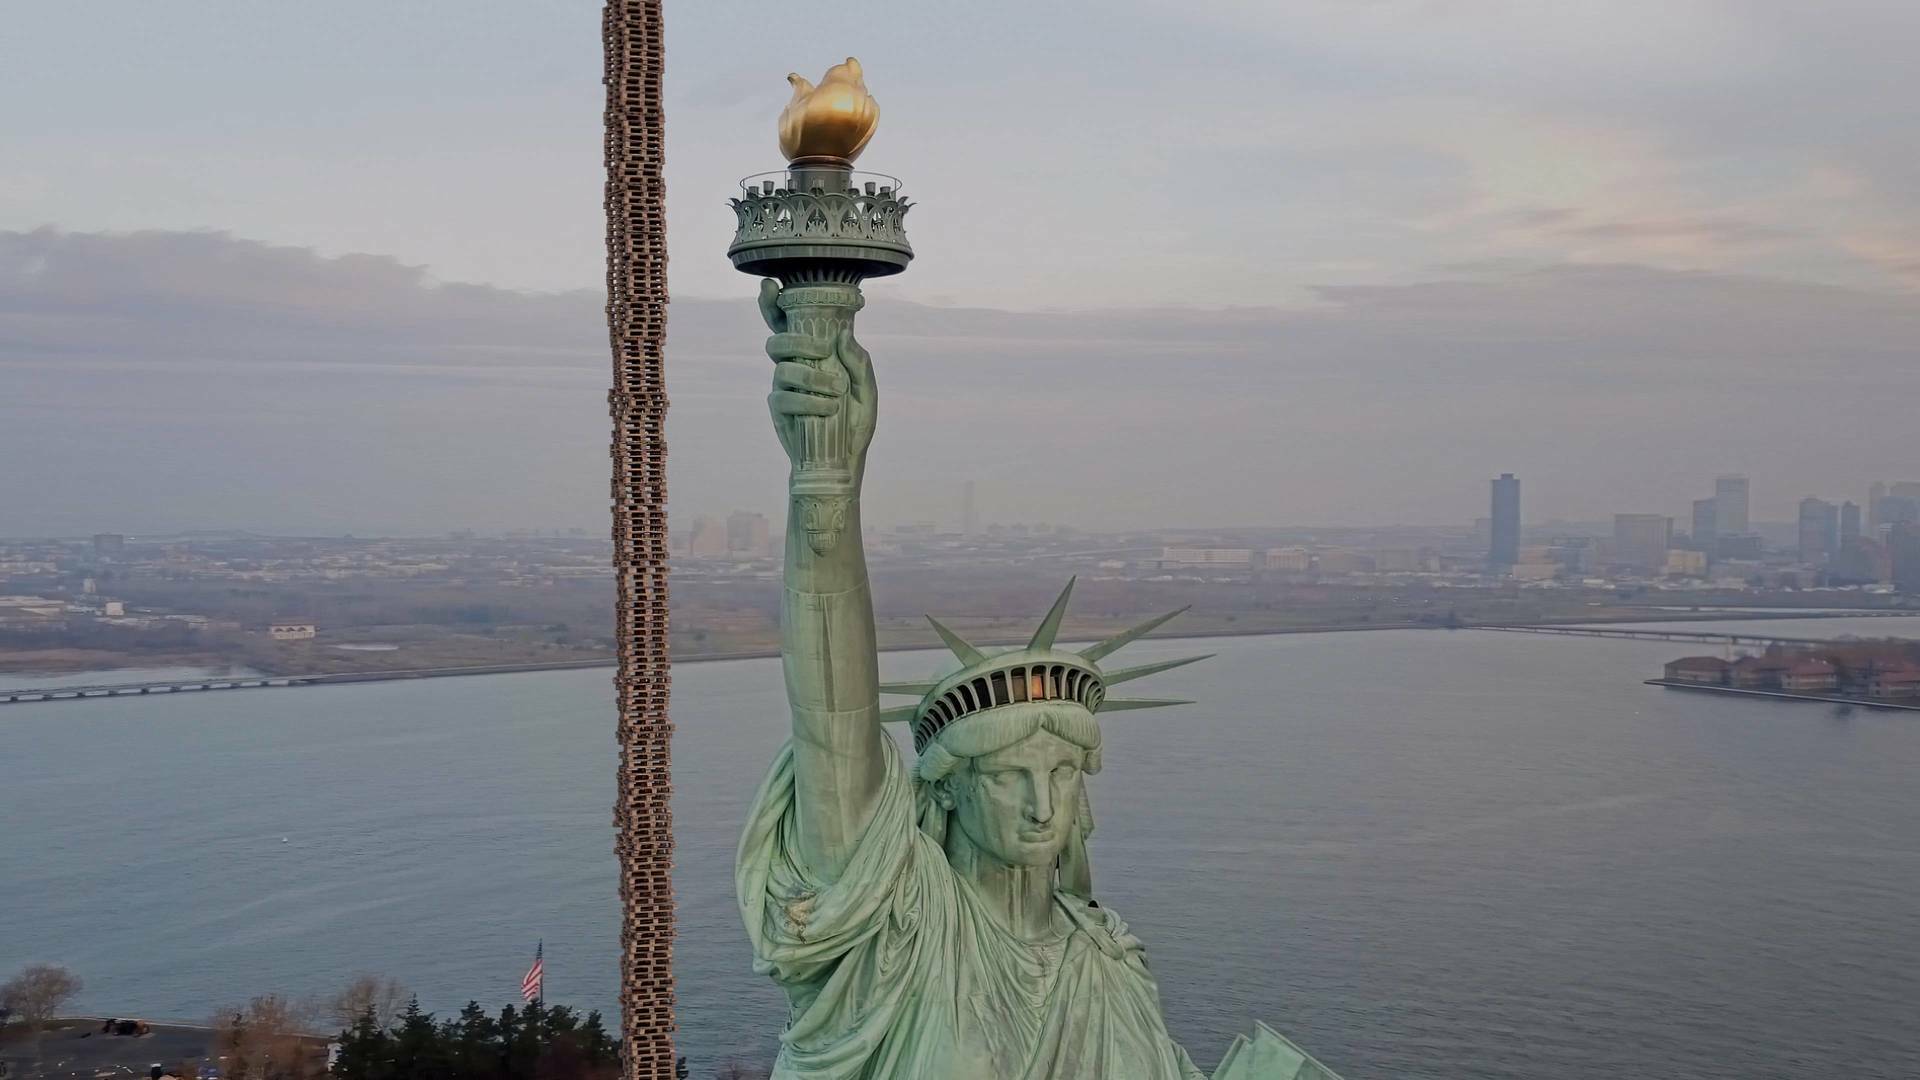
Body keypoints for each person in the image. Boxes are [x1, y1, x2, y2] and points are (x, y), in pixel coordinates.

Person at [736, 281, 1337, 1080]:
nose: (1042, 806)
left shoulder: (1107, 961)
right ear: (945, 790)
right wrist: (828, 480)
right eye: (1011, 777)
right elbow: (832, 719)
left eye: (1059, 774)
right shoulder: (898, 924)